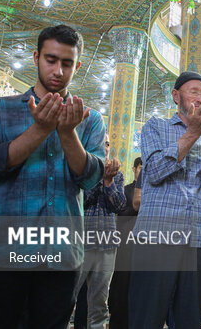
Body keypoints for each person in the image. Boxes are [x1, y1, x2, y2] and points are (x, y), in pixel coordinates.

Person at [0, 25, 106, 328]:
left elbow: (89, 179)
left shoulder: (87, 119)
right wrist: (40, 130)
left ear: (78, 65)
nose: (58, 70)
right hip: (3, 251)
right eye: (51, 59)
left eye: (67, 63)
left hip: (61, 254)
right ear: (36, 57)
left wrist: (67, 132)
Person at [129, 71, 201, 329]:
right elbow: (153, 172)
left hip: (199, 237)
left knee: (189, 318)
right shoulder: (156, 126)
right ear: (176, 96)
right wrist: (194, 131)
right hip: (159, 235)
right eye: (194, 91)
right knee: (147, 316)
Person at [74, 134, 125, 329]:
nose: (105, 147)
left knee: (99, 304)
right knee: (67, 296)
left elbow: (119, 205)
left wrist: (109, 182)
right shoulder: (78, 171)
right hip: (80, 243)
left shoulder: (116, 175)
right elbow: (83, 200)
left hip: (107, 245)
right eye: (102, 143)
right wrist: (99, 179)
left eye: (108, 144)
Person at [108, 156, 142, 329]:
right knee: (121, 291)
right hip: (125, 247)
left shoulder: (150, 193)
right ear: (134, 169)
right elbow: (122, 210)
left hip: (144, 248)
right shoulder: (126, 190)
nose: (142, 172)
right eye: (140, 167)